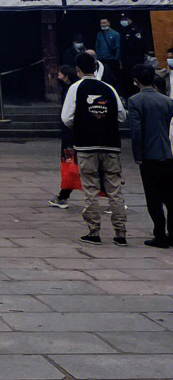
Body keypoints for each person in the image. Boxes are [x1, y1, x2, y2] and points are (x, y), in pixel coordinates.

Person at [61, 52, 127, 245]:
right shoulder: (109, 89)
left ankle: (94, 231)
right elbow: (122, 116)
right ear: (96, 68)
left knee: (91, 189)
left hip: (86, 145)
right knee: (115, 190)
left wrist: (84, 123)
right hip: (111, 145)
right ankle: (120, 232)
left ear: (78, 70)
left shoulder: (75, 88)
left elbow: (66, 118)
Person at [127, 63, 173, 248]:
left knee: (153, 198)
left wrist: (137, 154)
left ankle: (159, 235)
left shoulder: (135, 101)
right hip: (167, 153)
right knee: (170, 197)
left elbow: (136, 131)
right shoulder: (167, 101)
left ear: (136, 81)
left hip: (149, 155)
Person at [48, 65, 79, 208]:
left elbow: (67, 116)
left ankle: (63, 195)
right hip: (71, 131)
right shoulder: (69, 88)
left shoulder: (72, 89)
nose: (58, 77)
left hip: (71, 132)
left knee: (71, 164)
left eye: (60, 75)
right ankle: (64, 194)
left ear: (66, 76)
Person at [95, 17, 122, 87]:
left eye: (105, 23)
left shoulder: (115, 34)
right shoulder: (99, 34)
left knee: (113, 78)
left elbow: (118, 47)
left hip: (111, 59)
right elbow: (97, 46)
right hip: (101, 59)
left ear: (109, 23)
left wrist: (116, 58)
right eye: (101, 23)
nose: (103, 25)